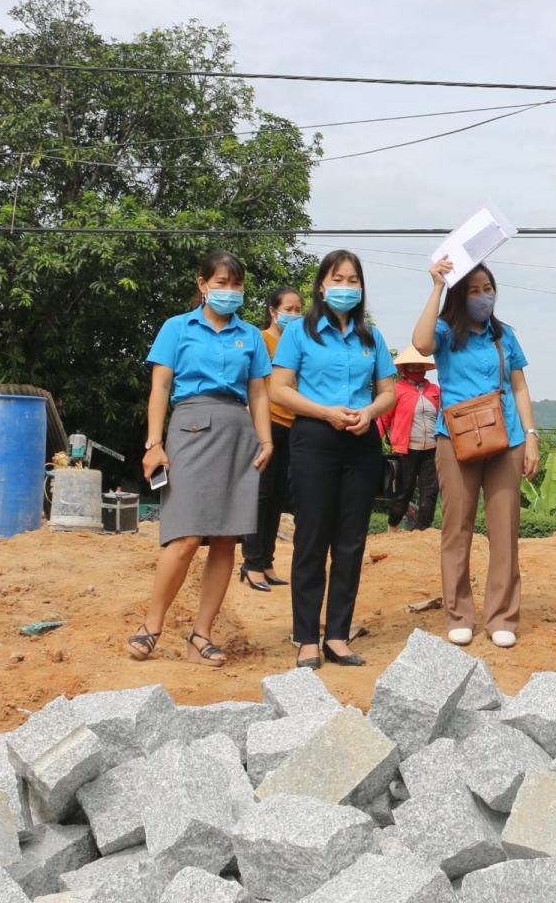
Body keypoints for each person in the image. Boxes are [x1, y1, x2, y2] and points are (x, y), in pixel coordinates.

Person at [128, 251, 274, 667]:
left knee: (227, 538)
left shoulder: (250, 335)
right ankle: (151, 627)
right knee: (186, 536)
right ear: (202, 284)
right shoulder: (177, 328)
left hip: (238, 433)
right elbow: (159, 388)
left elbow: (260, 392)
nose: (229, 291)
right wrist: (153, 443)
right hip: (189, 427)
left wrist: (266, 441)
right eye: (222, 282)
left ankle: (201, 636)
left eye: (237, 284)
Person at [269, 250, 397, 669]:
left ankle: (337, 636)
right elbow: (279, 389)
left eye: (353, 280)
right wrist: (325, 412)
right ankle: (306, 637)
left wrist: (370, 414)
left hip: (361, 444)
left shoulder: (370, 338)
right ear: (322, 284)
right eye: (338, 278)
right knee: (311, 538)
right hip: (314, 438)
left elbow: (388, 392)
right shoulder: (300, 333)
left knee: (350, 543)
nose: (346, 287)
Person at [412, 259, 538, 649]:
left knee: (505, 530)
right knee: (457, 528)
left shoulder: (505, 336)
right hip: (456, 438)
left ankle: (501, 616)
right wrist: (436, 286)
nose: (484, 296)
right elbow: (420, 344)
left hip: (508, 439)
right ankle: (459, 614)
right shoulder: (446, 333)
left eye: (488, 288)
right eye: (473, 290)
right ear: (459, 296)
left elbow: (518, 386)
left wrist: (531, 435)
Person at [241, 286, 303, 591]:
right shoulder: (260, 339)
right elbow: (252, 384)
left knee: (278, 497)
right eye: (288, 309)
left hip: (292, 425)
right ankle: (251, 563)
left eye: (297, 309)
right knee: (260, 496)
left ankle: (266, 561)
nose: (293, 314)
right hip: (264, 425)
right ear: (272, 311)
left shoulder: (299, 342)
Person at [378, 347, 441, 529]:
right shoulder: (396, 390)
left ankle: (422, 531)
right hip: (405, 450)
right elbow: (384, 418)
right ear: (404, 369)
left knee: (430, 491)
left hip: (431, 449)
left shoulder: (435, 390)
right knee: (403, 492)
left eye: (419, 366)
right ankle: (392, 528)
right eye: (411, 366)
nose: (415, 369)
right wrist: (374, 442)